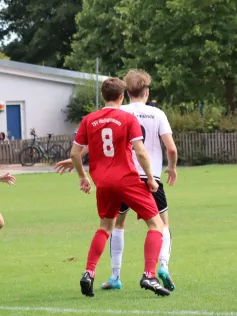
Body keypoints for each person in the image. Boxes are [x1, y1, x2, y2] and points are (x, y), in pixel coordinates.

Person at [55, 69, 178, 292]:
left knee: (106, 227)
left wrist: (82, 177)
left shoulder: (89, 119)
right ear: (122, 96)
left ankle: (90, 272)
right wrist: (151, 178)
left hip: (103, 183)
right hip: (128, 180)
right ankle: (150, 274)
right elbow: (140, 152)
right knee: (157, 225)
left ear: (103, 96)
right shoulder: (128, 117)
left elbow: (76, 153)